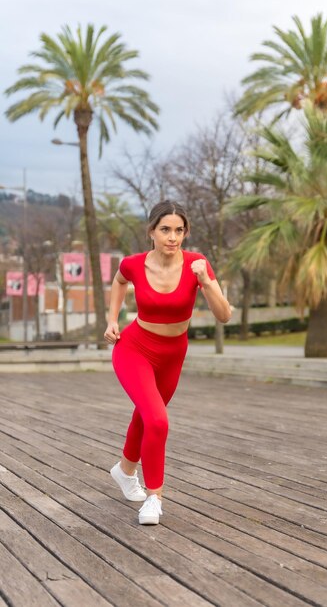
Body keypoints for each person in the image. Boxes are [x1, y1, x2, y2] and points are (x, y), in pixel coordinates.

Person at [104, 200, 231, 525]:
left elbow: (224, 315)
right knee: (158, 420)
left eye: (179, 230)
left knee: (146, 417)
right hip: (134, 348)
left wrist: (205, 282)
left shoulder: (197, 264)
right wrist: (112, 320)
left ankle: (124, 471)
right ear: (151, 232)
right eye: (165, 230)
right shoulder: (133, 264)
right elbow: (118, 281)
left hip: (173, 354)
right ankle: (153, 498)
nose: (173, 237)